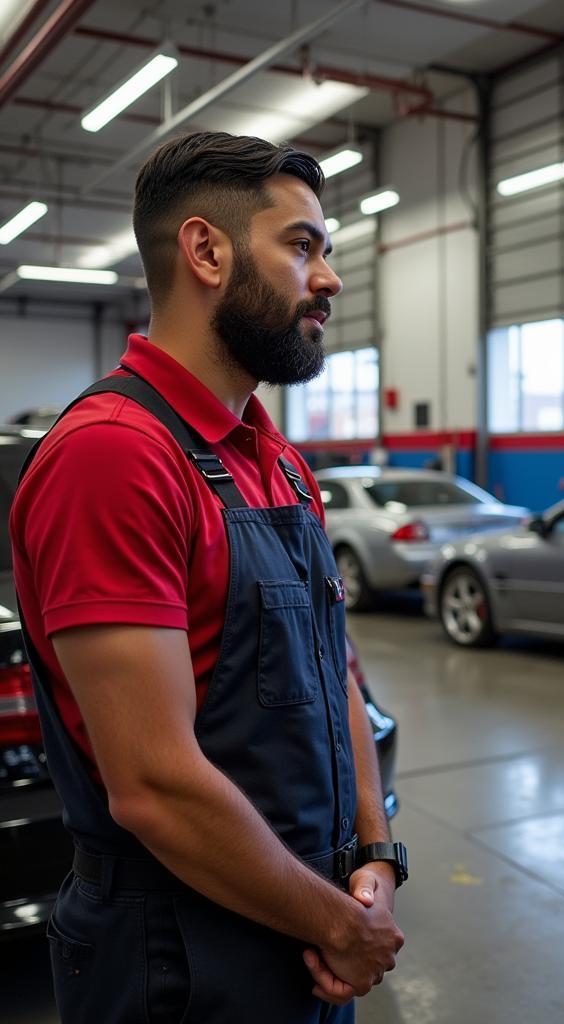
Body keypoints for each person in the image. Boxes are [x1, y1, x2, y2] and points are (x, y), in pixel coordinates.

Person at [10, 131, 406, 1024]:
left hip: (308, 928)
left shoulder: (278, 460)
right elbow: (153, 784)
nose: (329, 278)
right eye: (302, 246)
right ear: (207, 251)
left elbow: (333, 668)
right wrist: (339, 924)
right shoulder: (115, 455)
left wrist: (375, 859)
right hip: (176, 962)